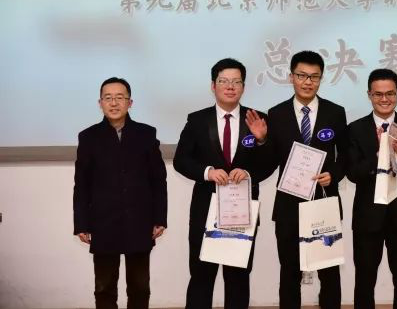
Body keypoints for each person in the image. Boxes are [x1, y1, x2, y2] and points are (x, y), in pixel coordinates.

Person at [173, 58, 269, 309]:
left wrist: (260, 142)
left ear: (243, 87)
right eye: (224, 81)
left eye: (236, 81)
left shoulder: (257, 119)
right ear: (213, 85)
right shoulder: (197, 120)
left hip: (242, 212)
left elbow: (270, 162)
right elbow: (181, 160)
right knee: (201, 276)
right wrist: (207, 172)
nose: (230, 86)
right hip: (206, 210)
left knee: (238, 278)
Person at [73, 77, 167, 309]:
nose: (114, 103)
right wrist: (81, 223)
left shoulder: (146, 134)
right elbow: (81, 185)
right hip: (103, 223)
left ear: (130, 102)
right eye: (108, 98)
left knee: (140, 287)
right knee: (104, 287)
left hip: (139, 222)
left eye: (119, 97)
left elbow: (158, 181)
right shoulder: (88, 137)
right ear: (100, 103)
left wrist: (159, 218)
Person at [265, 50, 348, 309]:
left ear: (321, 78)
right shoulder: (275, 114)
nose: (307, 82)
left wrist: (334, 174)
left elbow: (346, 155)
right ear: (291, 77)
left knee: (329, 273)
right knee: (289, 272)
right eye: (302, 75)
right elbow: (269, 160)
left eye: (314, 76)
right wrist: (261, 141)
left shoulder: (335, 112)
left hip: (324, 203)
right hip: (288, 206)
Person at [346, 69, 397, 309]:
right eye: (378, 94)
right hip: (367, 217)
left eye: (390, 93)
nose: (385, 99)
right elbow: (353, 173)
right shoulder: (356, 128)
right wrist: (379, 152)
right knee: (365, 279)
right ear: (369, 95)